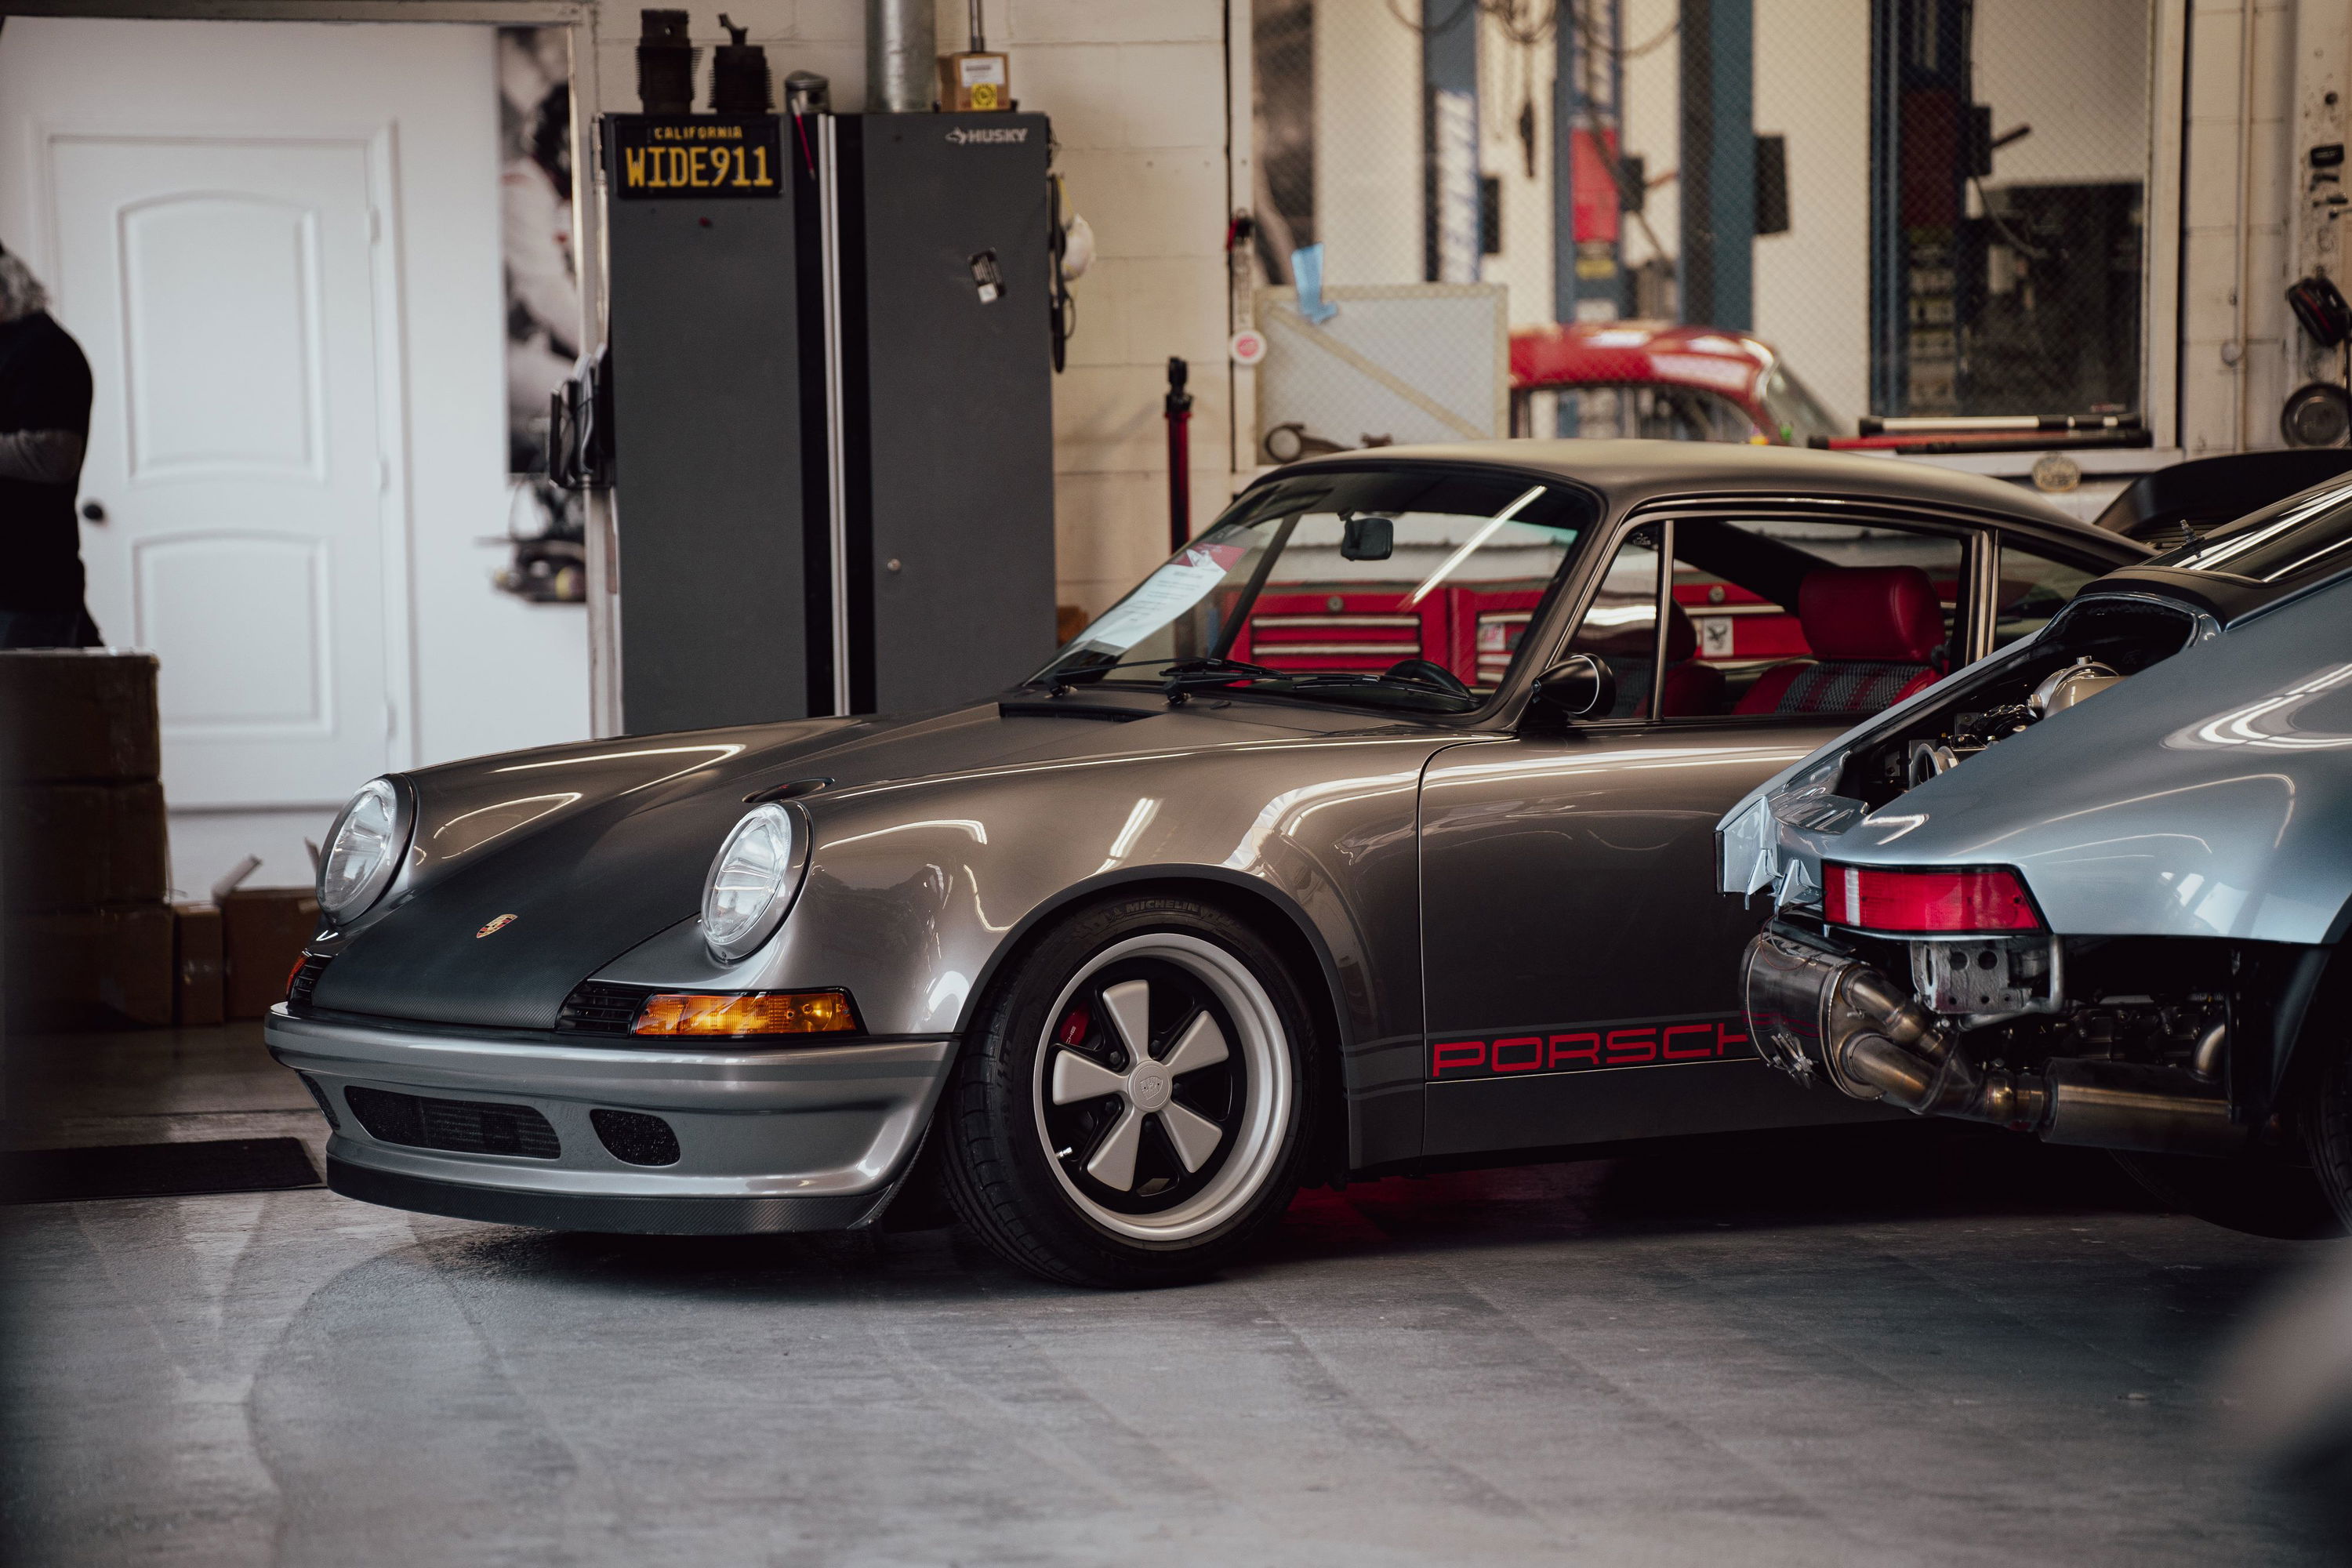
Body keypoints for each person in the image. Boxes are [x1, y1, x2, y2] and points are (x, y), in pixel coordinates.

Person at [0, 242, 100, 648]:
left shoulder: (44, 349)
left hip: (26, 588)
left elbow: (53, 455)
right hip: (23, 589)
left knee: (36, 710)